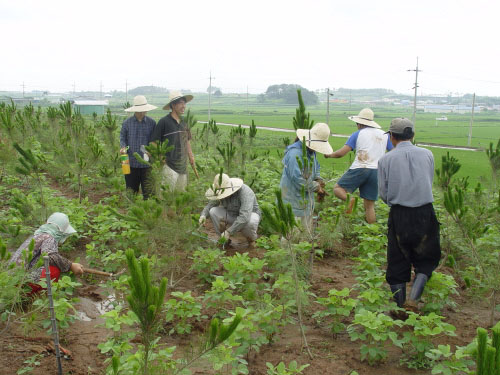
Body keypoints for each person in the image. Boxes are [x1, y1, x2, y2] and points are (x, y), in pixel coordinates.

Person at [378, 118, 441, 310]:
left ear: (391, 137)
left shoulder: (385, 159)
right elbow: (428, 180)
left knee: (397, 258)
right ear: (412, 135)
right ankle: (413, 300)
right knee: (427, 256)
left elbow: (384, 194)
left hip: (400, 214)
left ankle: (400, 306)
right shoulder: (428, 154)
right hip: (425, 212)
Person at [325, 108, 393, 224]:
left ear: (360, 123)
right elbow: (393, 152)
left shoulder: (358, 134)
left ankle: (351, 200)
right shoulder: (384, 135)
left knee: (338, 189)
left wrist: (329, 155)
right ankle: (371, 230)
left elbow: (342, 153)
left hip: (360, 167)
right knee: (369, 206)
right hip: (376, 171)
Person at [10, 213, 85, 295]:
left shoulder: (38, 235)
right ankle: (36, 295)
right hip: (21, 281)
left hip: (13, 278)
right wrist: (71, 265)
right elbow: (50, 257)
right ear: (62, 230)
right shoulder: (49, 237)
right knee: (53, 270)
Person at [280, 122, 331, 227]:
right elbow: (298, 180)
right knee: (292, 236)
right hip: (292, 201)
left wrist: (318, 179)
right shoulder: (295, 154)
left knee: (304, 236)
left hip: (306, 201)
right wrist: (316, 187)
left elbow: (316, 167)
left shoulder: (311, 152)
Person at [151, 91, 196, 192]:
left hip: (183, 166)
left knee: (181, 196)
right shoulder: (164, 122)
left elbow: (187, 141)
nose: (184, 106)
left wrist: (191, 156)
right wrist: (161, 158)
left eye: (184, 103)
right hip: (169, 166)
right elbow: (153, 143)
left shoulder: (184, 122)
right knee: (167, 195)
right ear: (173, 105)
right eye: (181, 103)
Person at [199, 173, 261, 247]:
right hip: (232, 214)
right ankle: (224, 239)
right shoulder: (219, 190)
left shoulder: (245, 192)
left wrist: (229, 232)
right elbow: (210, 205)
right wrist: (203, 215)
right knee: (213, 211)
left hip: (249, 215)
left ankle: (251, 240)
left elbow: (245, 217)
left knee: (251, 222)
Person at [120, 95, 157, 199]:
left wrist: (152, 150)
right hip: (130, 163)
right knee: (131, 192)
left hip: (147, 164)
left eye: (144, 110)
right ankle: (132, 211)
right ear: (135, 111)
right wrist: (123, 148)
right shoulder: (127, 123)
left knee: (149, 193)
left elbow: (154, 141)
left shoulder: (152, 123)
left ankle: (148, 213)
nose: (142, 112)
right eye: (140, 110)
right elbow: (122, 137)